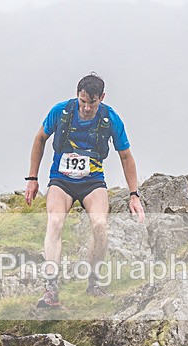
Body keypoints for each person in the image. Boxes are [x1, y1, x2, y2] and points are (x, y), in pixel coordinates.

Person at [25, 73, 145, 307]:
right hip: (61, 180)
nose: (87, 108)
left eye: (92, 102)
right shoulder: (61, 112)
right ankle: (50, 289)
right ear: (77, 95)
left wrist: (134, 195)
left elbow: (126, 156)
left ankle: (93, 283)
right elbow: (40, 138)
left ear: (102, 98)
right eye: (83, 102)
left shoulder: (110, 119)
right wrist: (32, 178)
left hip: (93, 182)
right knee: (55, 222)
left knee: (100, 225)